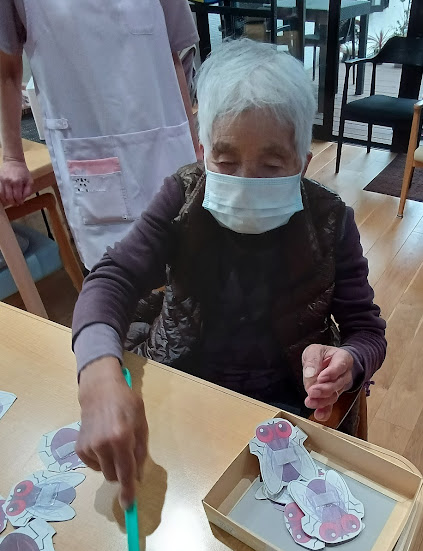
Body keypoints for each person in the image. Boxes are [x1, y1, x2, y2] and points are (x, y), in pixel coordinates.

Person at [72, 39, 387, 507]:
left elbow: (367, 331)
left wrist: (348, 362)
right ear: (203, 152)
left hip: (284, 406)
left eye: (272, 165)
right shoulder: (182, 197)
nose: (244, 181)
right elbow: (113, 278)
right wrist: (98, 376)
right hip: (182, 385)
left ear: (303, 163)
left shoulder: (330, 220)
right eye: (225, 161)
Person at [0, 0, 200, 270]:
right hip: (90, 154)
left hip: (166, 140)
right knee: (115, 275)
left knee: (189, 260)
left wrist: (194, 145)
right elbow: (7, 70)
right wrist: (13, 158)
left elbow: (174, 52)